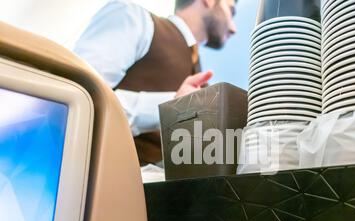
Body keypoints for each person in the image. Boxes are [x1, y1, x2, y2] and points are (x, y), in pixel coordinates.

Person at [74, 0, 238, 165]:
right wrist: (172, 107)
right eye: (231, 11)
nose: (233, 28)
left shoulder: (200, 75)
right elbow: (79, 99)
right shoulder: (133, 18)